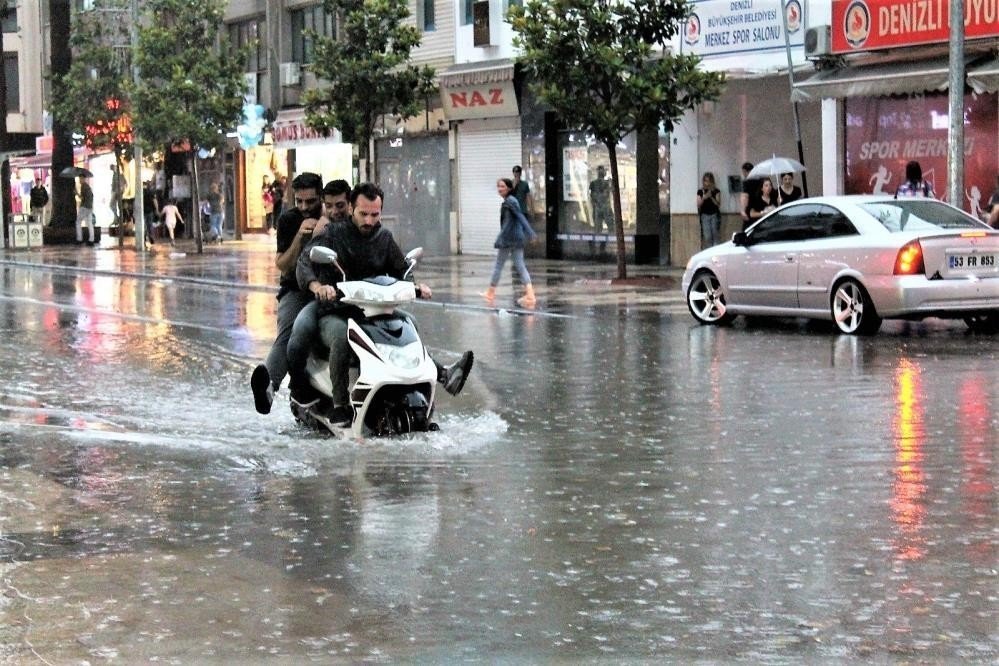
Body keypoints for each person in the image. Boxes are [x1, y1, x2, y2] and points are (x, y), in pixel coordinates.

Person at [293, 182, 474, 426]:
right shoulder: (333, 234)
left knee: (410, 323)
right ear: (351, 209)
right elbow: (304, 263)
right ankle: (340, 405)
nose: (369, 220)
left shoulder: (384, 238)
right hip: (336, 310)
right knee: (341, 335)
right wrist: (318, 287)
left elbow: (402, 269)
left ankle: (437, 377)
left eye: (375, 214)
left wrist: (415, 286)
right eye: (363, 214)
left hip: (373, 311)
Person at [250, 173, 329, 415]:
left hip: (330, 288)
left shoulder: (332, 217)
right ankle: (269, 388)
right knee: (289, 332)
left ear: (321, 197)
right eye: (299, 201)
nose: (304, 207)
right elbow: (283, 265)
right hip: (295, 289)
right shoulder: (288, 220)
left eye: (311, 201)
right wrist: (300, 237)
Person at [481, 177, 538, 308]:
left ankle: (490, 292)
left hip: (509, 238)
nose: (500, 189)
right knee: (520, 266)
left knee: (499, 265)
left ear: (509, 188)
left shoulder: (510, 201)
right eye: (498, 186)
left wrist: (531, 233)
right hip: (516, 238)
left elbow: (519, 217)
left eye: (502, 186)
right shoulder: (509, 201)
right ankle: (530, 295)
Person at [696, 171, 721, 248]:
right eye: (705, 181)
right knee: (707, 236)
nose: (707, 183)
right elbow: (698, 205)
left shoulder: (716, 191)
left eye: (709, 181)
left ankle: (716, 251)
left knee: (715, 235)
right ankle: (709, 250)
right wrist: (704, 198)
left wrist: (711, 197)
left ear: (712, 181)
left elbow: (718, 204)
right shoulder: (700, 191)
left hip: (714, 215)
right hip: (704, 215)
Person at [740, 161, 761, 230]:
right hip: (759, 209)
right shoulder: (761, 181)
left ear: (745, 171)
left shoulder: (746, 183)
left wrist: (743, 211)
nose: (743, 174)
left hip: (749, 209)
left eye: (743, 172)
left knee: (747, 230)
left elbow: (745, 197)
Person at [76, 175, 95, 245]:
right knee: (89, 223)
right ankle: (91, 240)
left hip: (84, 207)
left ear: (83, 179)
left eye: (80, 179)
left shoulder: (83, 186)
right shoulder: (88, 187)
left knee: (78, 222)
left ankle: (79, 239)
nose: (79, 180)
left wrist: (76, 193)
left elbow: (82, 198)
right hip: (90, 207)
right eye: (79, 179)